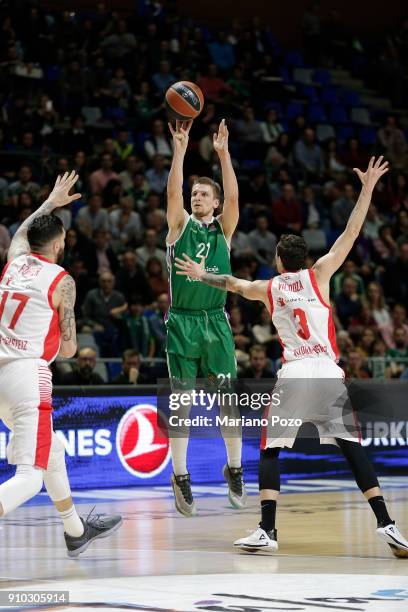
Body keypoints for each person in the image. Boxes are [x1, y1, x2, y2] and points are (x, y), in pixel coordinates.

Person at [175, 156, 408, 558]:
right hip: (329, 374)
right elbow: (352, 232)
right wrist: (368, 189)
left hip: (297, 373)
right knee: (352, 449)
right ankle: (387, 523)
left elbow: (231, 283)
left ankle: (267, 529)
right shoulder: (321, 275)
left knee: (270, 450)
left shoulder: (270, 288)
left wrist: (200, 274)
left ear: (280, 261)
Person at [0, 171, 122, 557]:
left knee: (50, 450)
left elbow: (22, 231)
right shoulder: (62, 280)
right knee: (30, 478)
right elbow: (69, 351)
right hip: (27, 375)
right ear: (59, 243)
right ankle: (73, 529)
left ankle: (75, 530)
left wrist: (51, 202)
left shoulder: (14, 261)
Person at [166, 118, 246, 516]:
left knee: (227, 404)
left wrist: (224, 154)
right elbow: (171, 193)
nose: (196, 197)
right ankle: (180, 475)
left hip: (215, 322)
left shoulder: (223, 230)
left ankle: (234, 468)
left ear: (213, 204)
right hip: (182, 323)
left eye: (203, 194)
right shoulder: (179, 226)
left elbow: (233, 199)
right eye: (193, 193)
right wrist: (180, 151)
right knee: (181, 405)